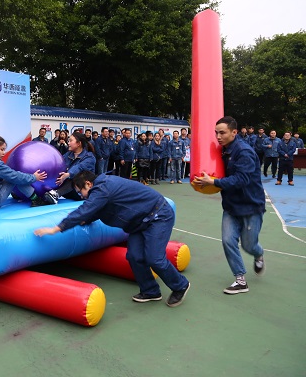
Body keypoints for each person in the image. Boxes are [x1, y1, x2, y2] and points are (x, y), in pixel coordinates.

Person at [34, 170, 190, 307]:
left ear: (88, 183)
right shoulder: (101, 190)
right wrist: (84, 220)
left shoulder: (103, 187)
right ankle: (151, 291)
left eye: (81, 191)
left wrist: (57, 228)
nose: (81, 196)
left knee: (154, 258)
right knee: (134, 256)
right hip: (139, 222)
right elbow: (96, 211)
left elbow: (87, 208)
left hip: (158, 216)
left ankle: (180, 285)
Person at [193, 116, 266, 295]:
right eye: (216, 133)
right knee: (228, 241)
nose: (218, 137)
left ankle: (258, 254)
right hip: (231, 206)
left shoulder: (244, 152)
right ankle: (240, 279)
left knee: (249, 246)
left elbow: (242, 179)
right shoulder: (222, 150)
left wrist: (214, 182)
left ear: (234, 132)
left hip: (251, 206)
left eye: (222, 133)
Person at [0, 134, 56, 210]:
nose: (4, 153)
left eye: (4, 149)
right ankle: (36, 200)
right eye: (1, 149)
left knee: (8, 176)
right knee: (15, 178)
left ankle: (16, 193)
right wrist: (34, 177)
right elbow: (15, 177)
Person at [46, 131, 96, 201]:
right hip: (68, 190)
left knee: (76, 177)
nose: (68, 143)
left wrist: (68, 174)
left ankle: (56, 194)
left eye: (71, 141)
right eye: (68, 141)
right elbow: (59, 162)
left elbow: (79, 167)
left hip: (81, 191)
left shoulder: (89, 157)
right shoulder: (68, 155)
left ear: (78, 143)